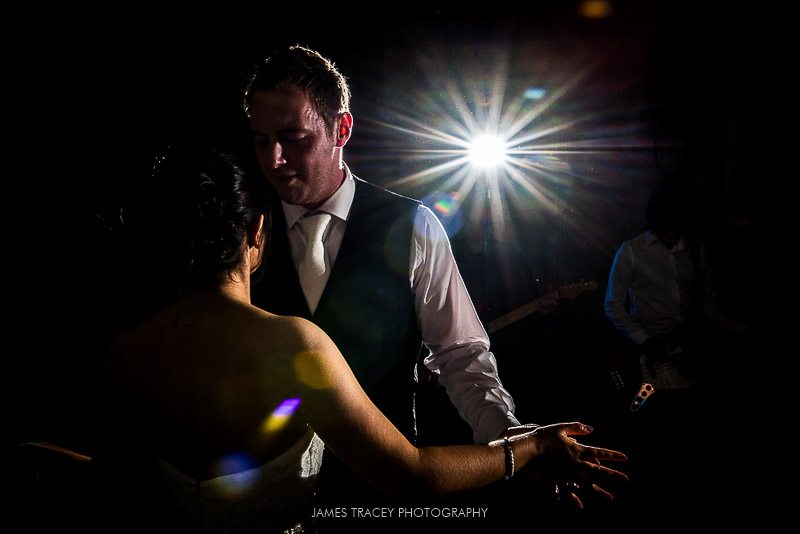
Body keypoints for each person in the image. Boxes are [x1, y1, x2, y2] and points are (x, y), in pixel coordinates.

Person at [103, 146, 626, 532]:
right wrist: (529, 447)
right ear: (257, 235)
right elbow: (412, 475)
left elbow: (120, 482)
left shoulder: (126, 350)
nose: (276, 159)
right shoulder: (292, 344)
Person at [242, 45, 535, 517]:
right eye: (259, 140)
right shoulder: (241, 230)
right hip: (262, 498)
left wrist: (509, 441)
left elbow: (460, 354)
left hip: (381, 498)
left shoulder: (415, 225)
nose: (273, 159)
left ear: (341, 129)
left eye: (293, 138)